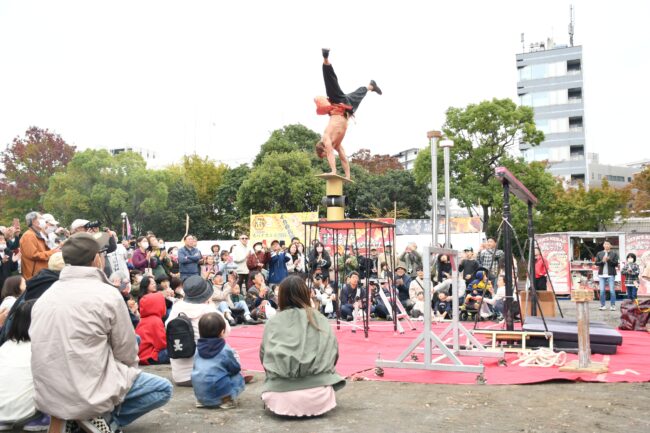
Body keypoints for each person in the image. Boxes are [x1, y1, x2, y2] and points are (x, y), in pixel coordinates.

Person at [30, 232, 172, 432]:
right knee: (162, 388)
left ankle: (75, 419)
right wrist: (122, 376)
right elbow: (127, 353)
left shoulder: (46, 296)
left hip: (50, 394)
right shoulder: (107, 295)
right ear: (96, 259)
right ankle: (103, 418)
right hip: (88, 389)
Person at [260, 275, 345, 416]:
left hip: (279, 396)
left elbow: (264, 357)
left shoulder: (273, 322)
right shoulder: (321, 319)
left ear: (281, 296)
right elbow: (334, 354)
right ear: (306, 294)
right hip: (319, 396)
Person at [315, 48, 382, 180]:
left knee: (330, 82)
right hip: (347, 108)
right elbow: (344, 158)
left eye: (324, 154)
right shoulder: (337, 144)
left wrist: (333, 171)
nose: (329, 152)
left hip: (338, 103)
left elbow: (330, 154)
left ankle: (325, 57)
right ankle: (371, 86)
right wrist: (347, 176)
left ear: (322, 148)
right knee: (359, 94)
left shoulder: (326, 139)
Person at [165, 275, 230, 386]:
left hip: (180, 377)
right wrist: (212, 307)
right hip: (205, 375)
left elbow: (167, 326)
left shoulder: (176, 307)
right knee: (226, 349)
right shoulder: (209, 310)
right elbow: (226, 331)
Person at [192, 313, 245, 409]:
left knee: (202, 375)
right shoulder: (225, 349)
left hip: (200, 394)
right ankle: (227, 401)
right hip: (218, 397)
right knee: (238, 377)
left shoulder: (197, 348)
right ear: (222, 332)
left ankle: (201, 401)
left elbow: (195, 366)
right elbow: (235, 368)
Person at [19, 212, 59, 280]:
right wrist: (52, 252)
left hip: (40, 274)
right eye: (41, 218)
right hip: (33, 277)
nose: (44, 221)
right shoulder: (29, 235)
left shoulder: (36, 234)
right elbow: (34, 255)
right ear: (34, 222)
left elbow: (43, 252)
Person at [135, 293, 170, 366]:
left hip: (141, 356)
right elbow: (162, 344)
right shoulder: (156, 320)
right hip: (150, 357)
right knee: (175, 351)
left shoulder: (143, 320)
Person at [595, 241, 619, 311]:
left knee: (612, 291)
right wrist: (602, 261)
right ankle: (602, 305)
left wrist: (608, 260)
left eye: (608, 244)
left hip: (611, 274)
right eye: (605, 244)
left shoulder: (614, 253)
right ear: (603, 245)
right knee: (602, 291)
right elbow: (596, 263)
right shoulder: (599, 253)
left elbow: (616, 264)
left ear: (610, 245)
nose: (606, 245)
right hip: (601, 274)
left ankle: (613, 305)